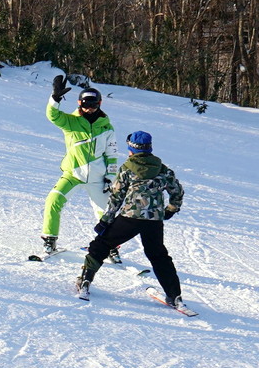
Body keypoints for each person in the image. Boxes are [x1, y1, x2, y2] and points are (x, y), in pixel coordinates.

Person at [74, 130, 187, 308]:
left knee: (101, 245)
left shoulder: (127, 168)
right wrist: (170, 209)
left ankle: (85, 281)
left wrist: (106, 220)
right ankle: (175, 296)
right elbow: (177, 191)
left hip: (130, 218)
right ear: (149, 148)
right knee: (158, 256)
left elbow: (116, 196)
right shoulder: (162, 169)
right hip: (154, 221)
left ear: (131, 149)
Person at [40, 75, 120, 259]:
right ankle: (49, 241)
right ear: (79, 103)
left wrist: (110, 177)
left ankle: (110, 246)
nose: (89, 109)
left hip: (98, 177)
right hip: (73, 174)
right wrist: (55, 98)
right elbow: (52, 115)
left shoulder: (107, 128)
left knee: (106, 212)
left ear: (99, 104)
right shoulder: (71, 122)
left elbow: (112, 155)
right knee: (53, 200)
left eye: (93, 105)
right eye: (85, 105)